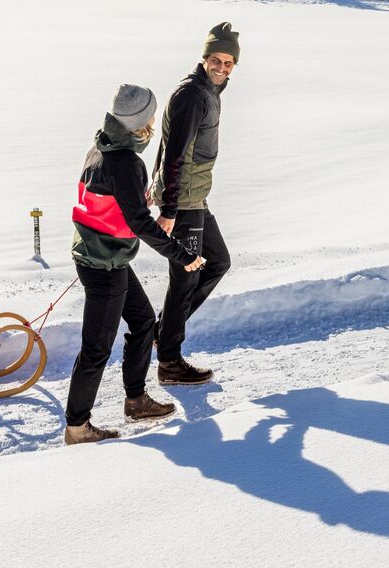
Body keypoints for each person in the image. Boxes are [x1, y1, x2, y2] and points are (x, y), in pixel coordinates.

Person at [66, 84, 205, 445]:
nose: (155, 121)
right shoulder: (125, 162)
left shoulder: (99, 148)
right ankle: (77, 426)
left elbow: (111, 210)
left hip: (104, 256)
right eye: (151, 116)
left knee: (143, 321)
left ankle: (136, 400)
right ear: (140, 123)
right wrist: (183, 256)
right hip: (104, 264)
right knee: (96, 347)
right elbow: (141, 223)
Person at [151, 22, 239, 385]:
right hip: (184, 199)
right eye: (215, 59)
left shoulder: (209, 91)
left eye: (229, 62)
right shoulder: (192, 95)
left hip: (194, 196)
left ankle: (162, 331)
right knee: (186, 276)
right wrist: (169, 208)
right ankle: (169, 360)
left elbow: (171, 145)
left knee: (217, 261)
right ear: (204, 59)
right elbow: (174, 154)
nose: (221, 67)